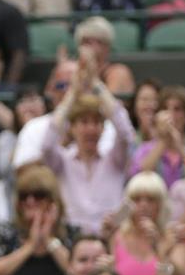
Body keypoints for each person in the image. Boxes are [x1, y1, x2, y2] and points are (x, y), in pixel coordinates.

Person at [41, 55, 134, 234]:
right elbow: (46, 145)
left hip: (110, 238)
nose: (91, 129)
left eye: (96, 122)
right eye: (84, 122)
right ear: (72, 128)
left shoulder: (114, 160)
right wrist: (72, 93)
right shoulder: (62, 161)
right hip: (72, 240)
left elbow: (125, 133)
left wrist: (96, 83)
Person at [130, 86, 185, 189]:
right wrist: (163, 141)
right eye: (165, 109)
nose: (171, 115)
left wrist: (180, 147)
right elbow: (137, 180)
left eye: (177, 109)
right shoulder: (147, 148)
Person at [73, 16, 135, 95]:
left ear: (107, 46)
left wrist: (91, 70)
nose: (86, 48)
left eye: (97, 42)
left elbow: (108, 101)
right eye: (85, 42)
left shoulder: (119, 72)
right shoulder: (75, 72)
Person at [0, 86, 47, 180]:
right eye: (23, 101)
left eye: (33, 100)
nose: (29, 106)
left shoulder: (53, 134)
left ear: (44, 106)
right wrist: (27, 130)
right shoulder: (6, 137)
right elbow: (5, 171)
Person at [132, 79, 162, 144]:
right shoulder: (128, 135)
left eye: (154, 100)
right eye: (144, 99)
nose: (149, 105)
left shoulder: (167, 137)